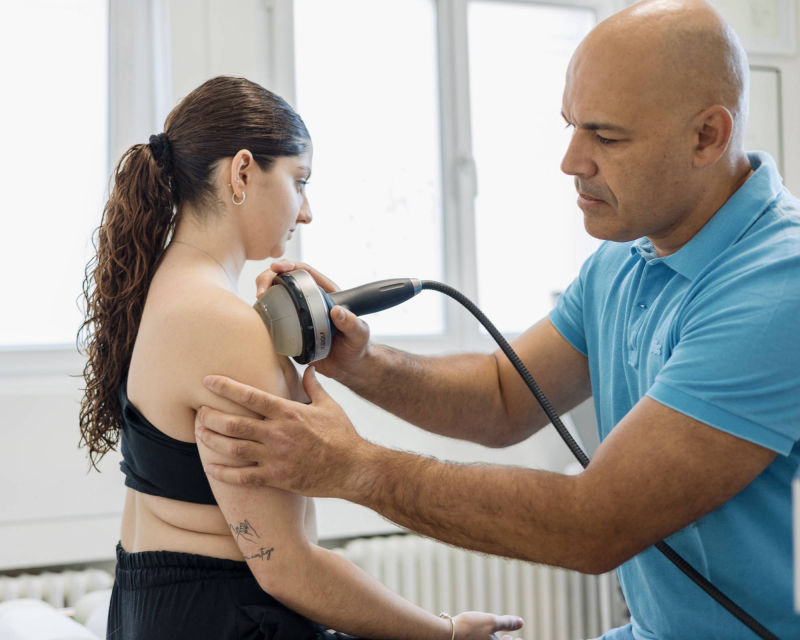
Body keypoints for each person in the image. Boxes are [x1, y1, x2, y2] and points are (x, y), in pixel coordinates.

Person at [192, 2, 800, 639]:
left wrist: (353, 468)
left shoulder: (774, 290)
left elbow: (593, 525)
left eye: (607, 137)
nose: (571, 161)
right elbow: (506, 398)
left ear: (707, 136)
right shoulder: (623, 258)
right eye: (570, 126)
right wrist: (364, 364)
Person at [78, 75, 524, 640]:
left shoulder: (159, 290)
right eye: (299, 181)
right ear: (243, 172)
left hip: (152, 608)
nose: (306, 211)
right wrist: (448, 632)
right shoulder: (223, 324)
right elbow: (287, 567)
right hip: (223, 619)